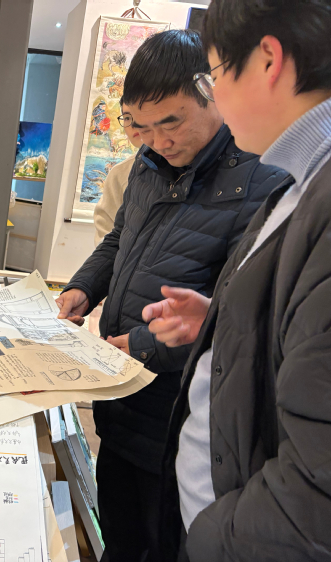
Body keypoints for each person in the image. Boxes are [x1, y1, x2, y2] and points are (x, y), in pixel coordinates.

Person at [55, 29, 288, 562]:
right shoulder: (147, 165)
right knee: (119, 536)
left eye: (172, 122)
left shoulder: (261, 179)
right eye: (140, 125)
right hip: (121, 395)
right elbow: (119, 238)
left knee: (162, 543)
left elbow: (239, 314)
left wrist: (141, 346)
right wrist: (83, 287)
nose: (158, 140)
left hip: (181, 417)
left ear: (212, 94)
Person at [141, 2, 331, 560]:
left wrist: (209, 536)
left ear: (269, 60)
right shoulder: (300, 181)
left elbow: (315, 494)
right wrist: (225, 323)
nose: (215, 96)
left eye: (215, 75)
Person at [93, 103, 144, 245]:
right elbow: (106, 236)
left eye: (141, 113)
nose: (134, 124)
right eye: (127, 117)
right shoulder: (119, 174)